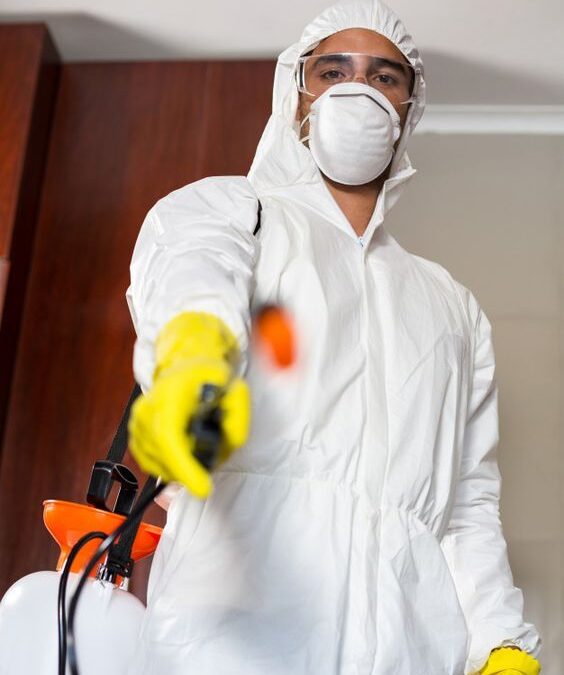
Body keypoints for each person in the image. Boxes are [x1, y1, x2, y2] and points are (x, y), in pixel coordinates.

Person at [125, 1, 542, 673]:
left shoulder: (450, 304)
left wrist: (499, 639)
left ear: (409, 108)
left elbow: (468, 502)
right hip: (232, 640)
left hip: (408, 648)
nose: (359, 90)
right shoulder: (236, 210)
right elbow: (195, 276)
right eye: (333, 71)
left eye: (384, 76)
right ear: (296, 94)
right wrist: (192, 361)